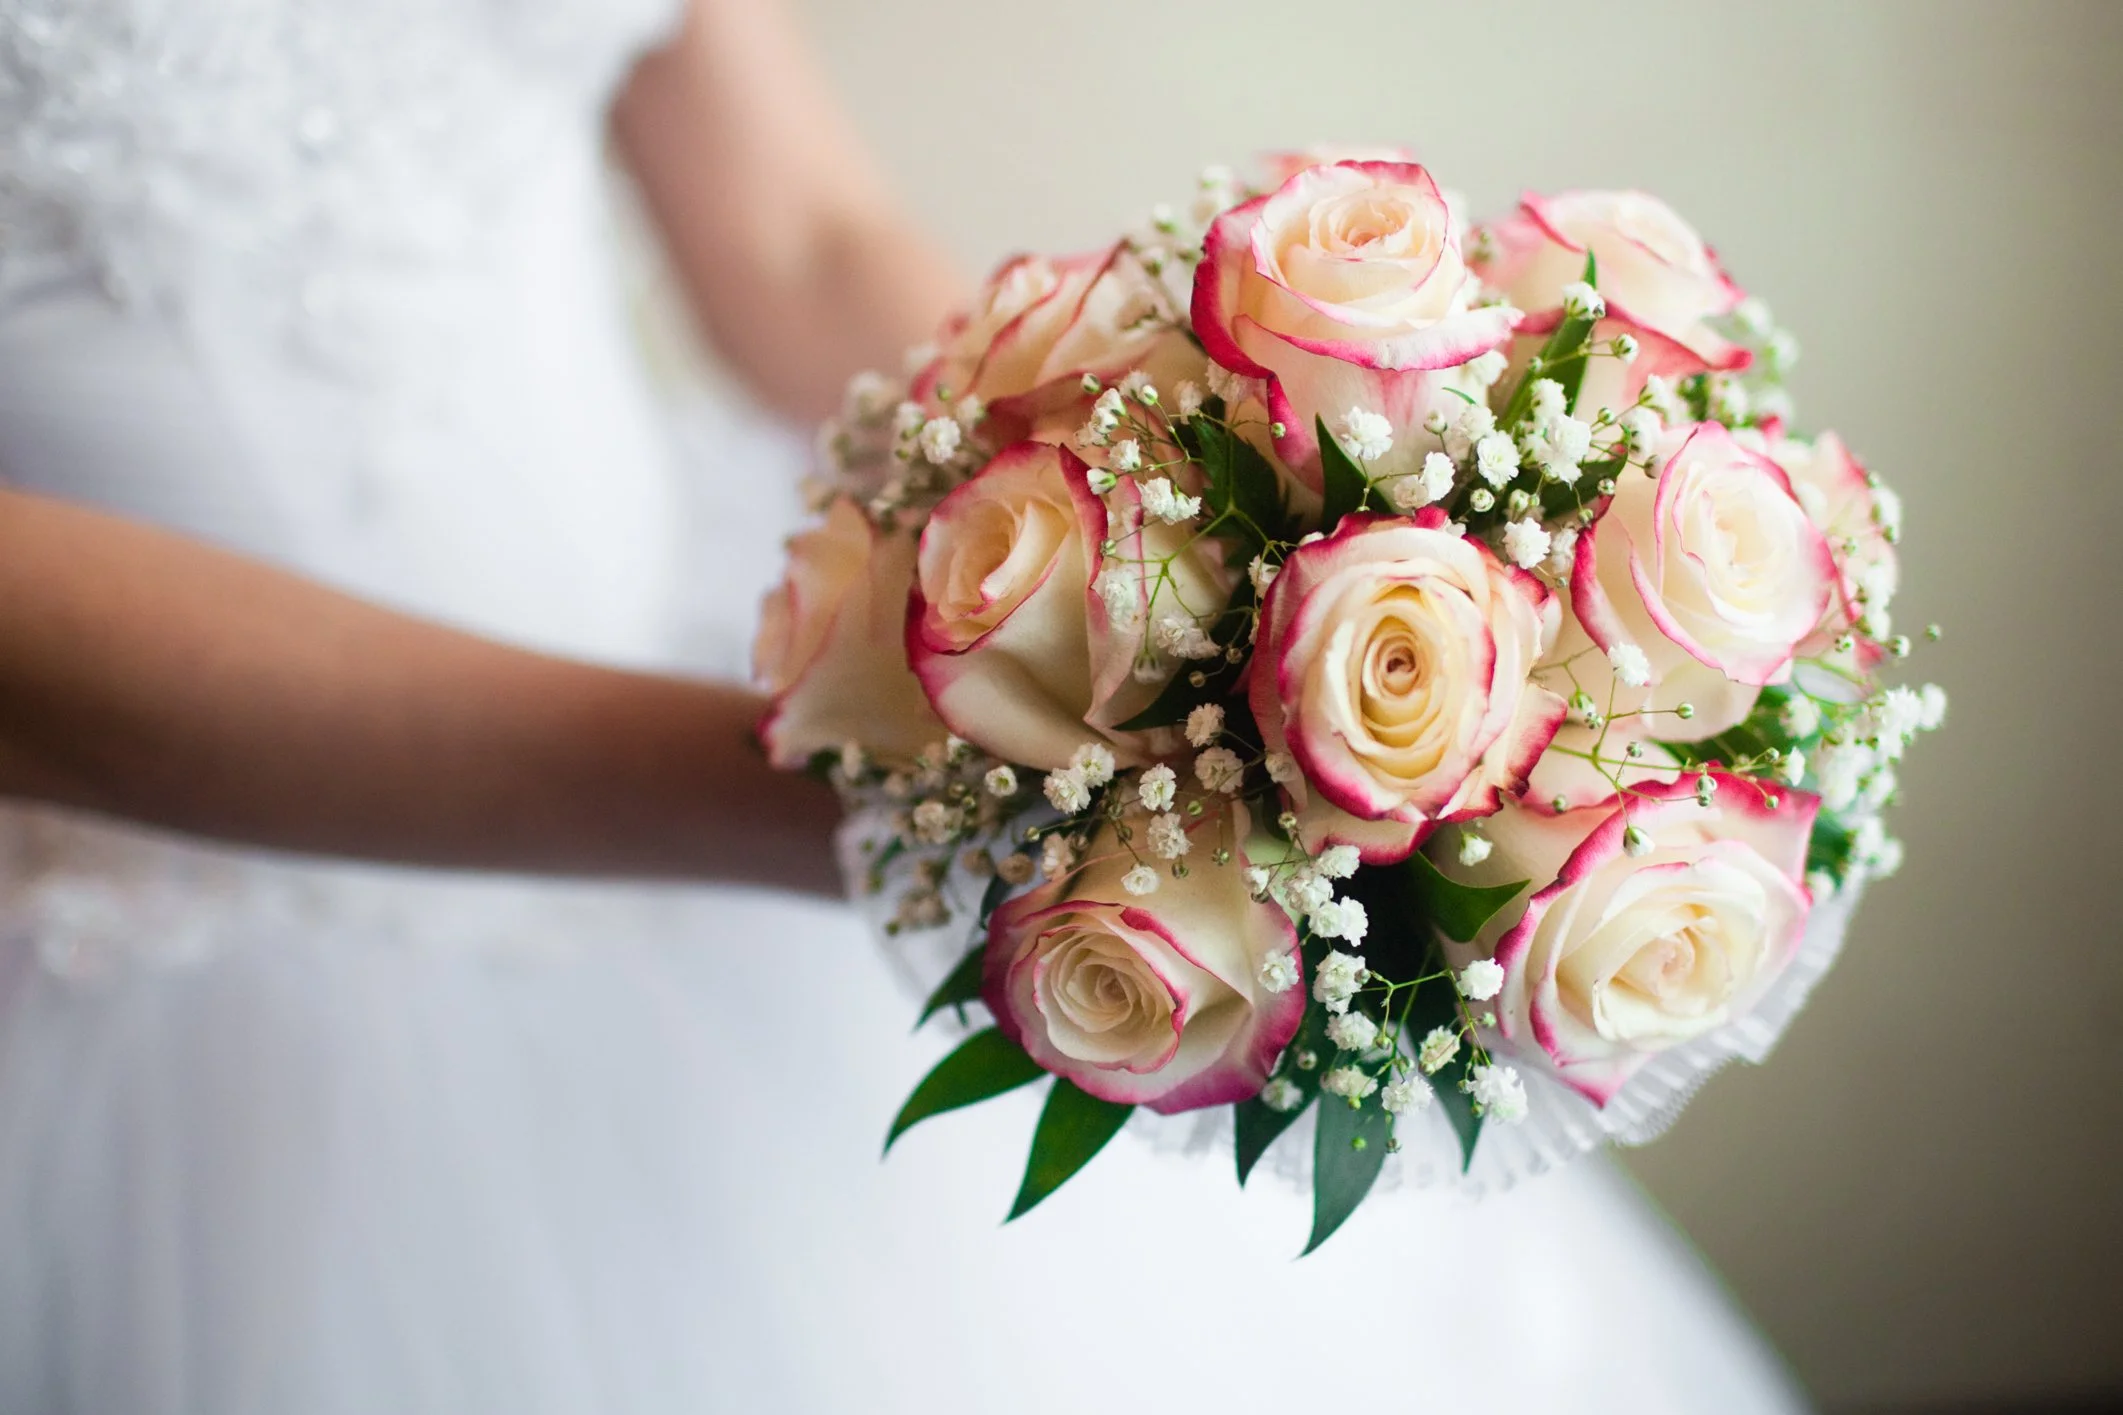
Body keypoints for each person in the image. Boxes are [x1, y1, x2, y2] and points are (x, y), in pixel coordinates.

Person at [0, 0, 1812, 1410]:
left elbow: (793, 233)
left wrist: (1152, 561)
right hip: (166, 916)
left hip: (711, 668)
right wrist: (854, 805)